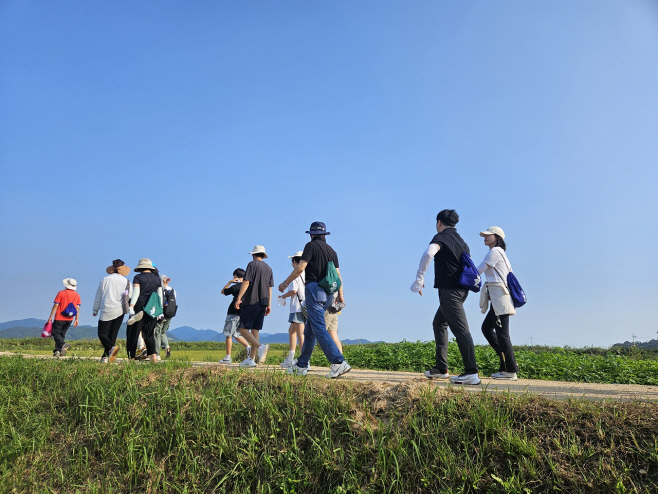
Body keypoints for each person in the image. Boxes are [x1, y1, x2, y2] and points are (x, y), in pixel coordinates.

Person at [410, 209, 480, 385]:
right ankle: (441, 368)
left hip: (450, 291)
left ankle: (472, 372)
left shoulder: (441, 237)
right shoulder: (462, 242)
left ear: (439, 222)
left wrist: (419, 278)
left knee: (461, 329)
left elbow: (428, 253)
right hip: (461, 290)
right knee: (439, 323)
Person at [278, 222, 351, 379]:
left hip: (314, 291)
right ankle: (301, 365)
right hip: (328, 294)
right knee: (310, 330)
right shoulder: (332, 251)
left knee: (318, 328)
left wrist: (284, 283)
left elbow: (300, 268)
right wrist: (341, 295)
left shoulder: (310, 246)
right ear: (325, 235)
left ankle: (338, 362)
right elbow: (338, 276)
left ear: (311, 234)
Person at [477, 226, 519, 380]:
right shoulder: (501, 253)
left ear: (498, 237)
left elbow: (478, 271)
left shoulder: (494, 252)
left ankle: (511, 370)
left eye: (489, 235)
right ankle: (505, 365)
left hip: (500, 297)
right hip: (498, 297)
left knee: (503, 335)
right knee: (487, 328)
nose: (485, 237)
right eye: (484, 235)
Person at [234, 246, 273, 367]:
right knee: (255, 330)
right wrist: (269, 304)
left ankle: (260, 347)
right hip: (263, 302)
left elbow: (246, 282)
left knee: (243, 329)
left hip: (251, 301)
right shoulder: (269, 268)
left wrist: (239, 298)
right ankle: (251, 359)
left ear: (254, 255)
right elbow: (269, 288)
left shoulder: (252, 264)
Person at [93, 260, 132, 363]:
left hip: (106, 308)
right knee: (113, 334)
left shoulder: (105, 280)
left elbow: (99, 295)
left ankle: (108, 352)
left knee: (102, 333)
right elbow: (129, 296)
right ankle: (106, 356)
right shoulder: (126, 281)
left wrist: (95, 309)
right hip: (120, 310)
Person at [127, 258, 163, 363]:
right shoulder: (157, 279)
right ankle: (153, 356)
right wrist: (159, 310)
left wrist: (131, 306)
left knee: (134, 332)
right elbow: (160, 295)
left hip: (139, 306)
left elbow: (136, 293)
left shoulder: (138, 277)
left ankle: (132, 357)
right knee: (149, 333)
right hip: (152, 308)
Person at [277, 251, 305, 368]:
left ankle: (304, 360)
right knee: (292, 331)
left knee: (300, 334)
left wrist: (283, 296)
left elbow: (293, 290)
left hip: (297, 307)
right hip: (304, 306)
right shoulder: (306, 274)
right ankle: (290, 358)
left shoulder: (295, 274)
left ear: (294, 261)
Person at [219, 268, 251, 364]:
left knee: (228, 334)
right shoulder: (249, 286)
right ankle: (248, 347)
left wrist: (229, 282)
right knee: (237, 334)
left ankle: (228, 357)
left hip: (233, 312)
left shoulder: (236, 287)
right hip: (243, 312)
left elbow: (223, 292)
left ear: (235, 276)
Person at [47, 278, 81, 357]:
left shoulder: (61, 293)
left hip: (59, 317)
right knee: (62, 334)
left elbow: (56, 305)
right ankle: (57, 351)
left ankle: (63, 344)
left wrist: (50, 317)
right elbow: (77, 308)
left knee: (55, 333)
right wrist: (76, 319)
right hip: (70, 318)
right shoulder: (77, 295)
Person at [154, 274, 176, 359]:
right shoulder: (173, 290)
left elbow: (158, 301)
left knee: (157, 333)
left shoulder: (161, 290)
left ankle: (157, 354)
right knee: (163, 332)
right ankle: (167, 347)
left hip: (161, 314)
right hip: (170, 314)